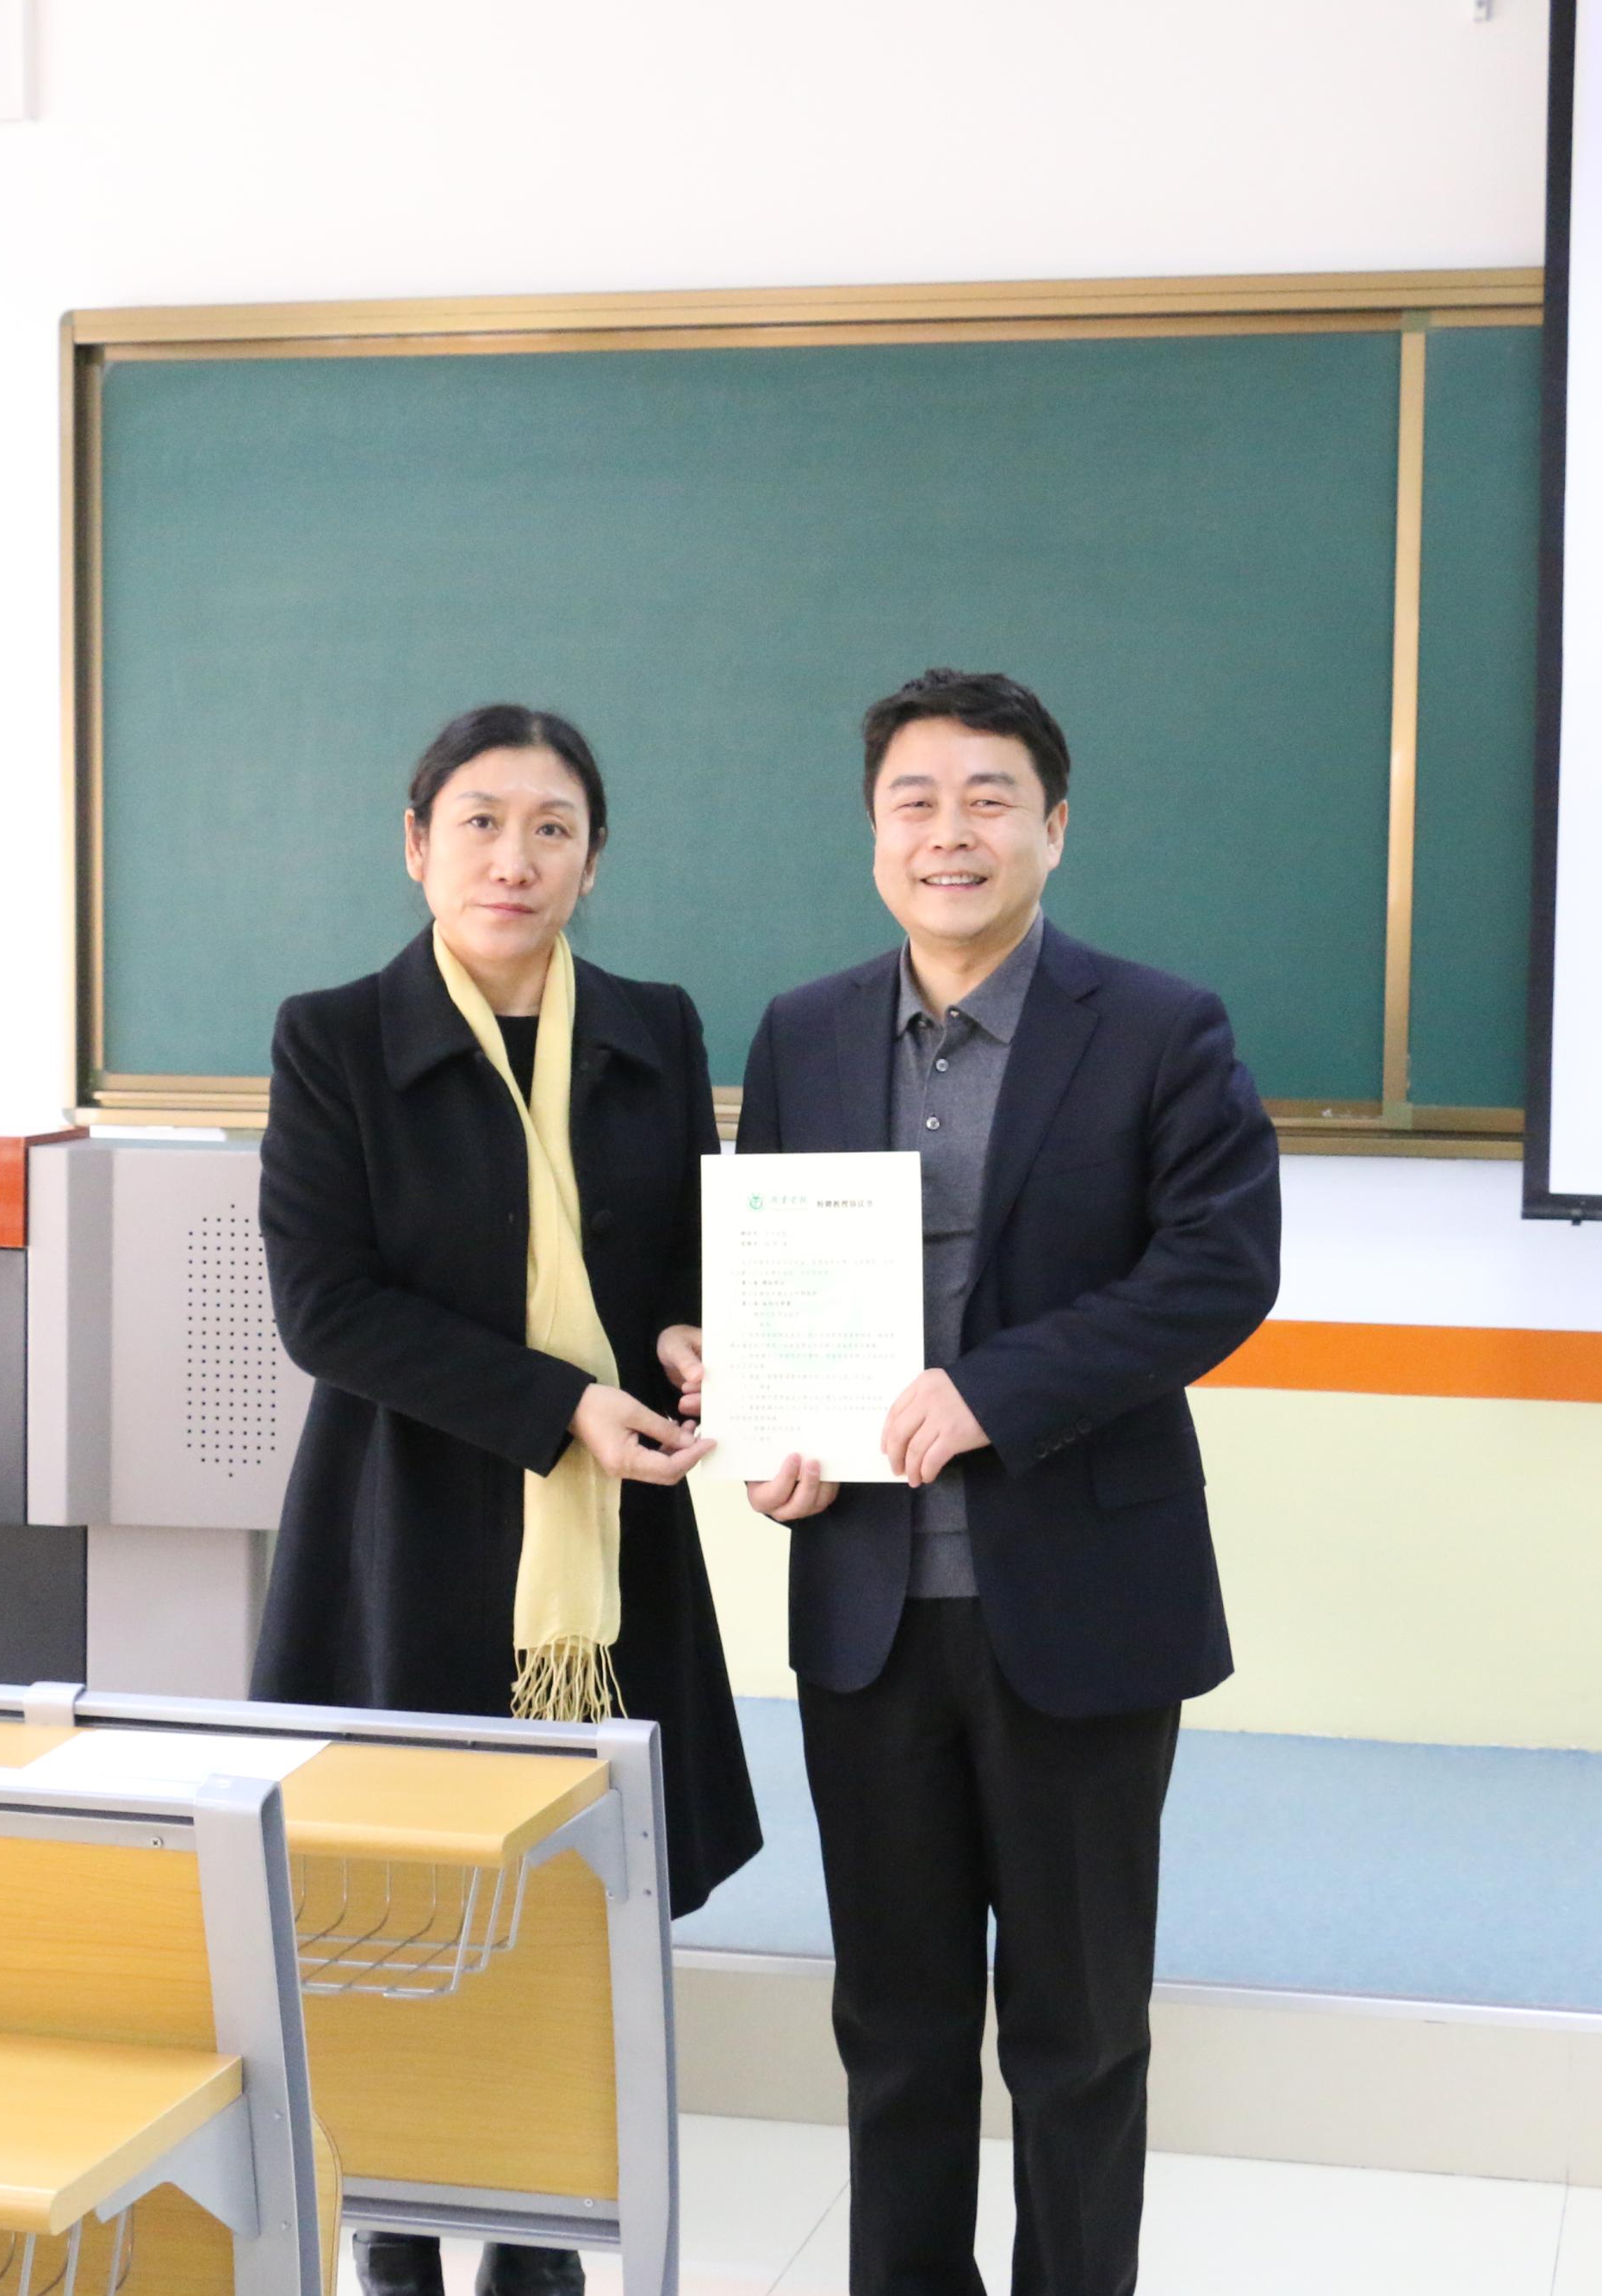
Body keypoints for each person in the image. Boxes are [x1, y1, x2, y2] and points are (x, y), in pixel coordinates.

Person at [721, 668, 1282, 2296]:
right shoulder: (805, 1029)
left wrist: (990, 1393)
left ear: (1055, 827)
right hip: (869, 1610)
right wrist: (776, 1443)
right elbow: (776, 1275)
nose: (949, 832)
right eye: (915, 800)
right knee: (893, 2026)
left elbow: (1218, 1270)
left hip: (1084, 1609)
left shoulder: (1160, 1025)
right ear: (873, 832)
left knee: (1078, 2030)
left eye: (989, 798)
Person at [254, 703, 763, 2296]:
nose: (513, 857)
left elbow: (684, 1253)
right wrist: (558, 1406)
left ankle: (542, 2252)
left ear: (593, 860)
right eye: (479, 821)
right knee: (394, 1913)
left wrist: (686, 1331)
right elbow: (325, 1308)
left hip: (607, 1560)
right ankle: (397, 2240)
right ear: (417, 845)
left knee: (581, 1907)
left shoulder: (654, 1027)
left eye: (552, 827)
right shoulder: (335, 1036)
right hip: (403, 1536)